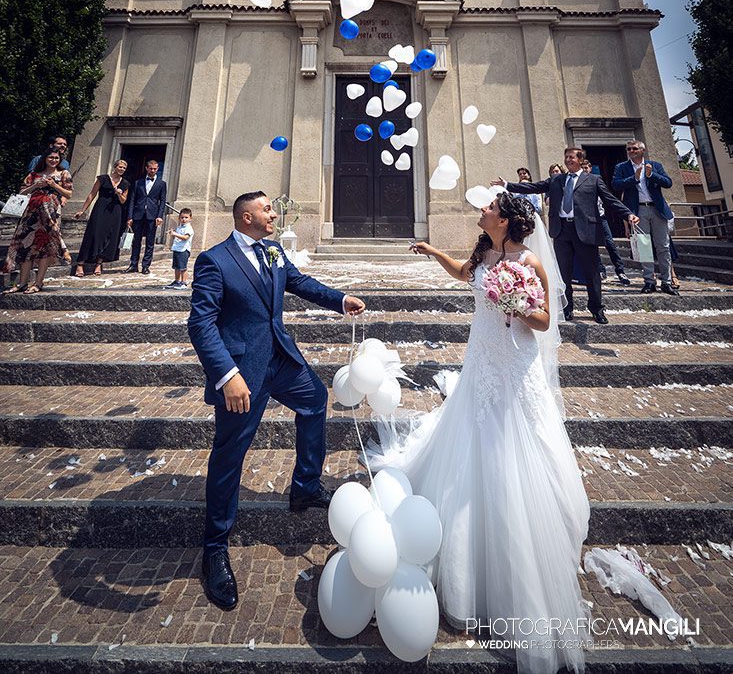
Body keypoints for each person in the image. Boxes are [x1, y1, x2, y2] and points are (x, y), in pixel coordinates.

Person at [368, 192, 591, 671]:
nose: (483, 208)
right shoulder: (484, 254)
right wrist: (432, 253)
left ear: (507, 219)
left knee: (521, 442)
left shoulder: (529, 260)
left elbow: (546, 320)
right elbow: (463, 274)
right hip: (481, 360)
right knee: (472, 434)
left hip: (515, 365)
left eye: (491, 205)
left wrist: (513, 301)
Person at [188, 190, 366, 612]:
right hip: (242, 374)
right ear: (247, 216)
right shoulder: (214, 260)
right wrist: (226, 375)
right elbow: (201, 323)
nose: (274, 213)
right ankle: (215, 546)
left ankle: (304, 486)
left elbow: (300, 284)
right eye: (268, 209)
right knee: (230, 455)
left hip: (281, 361)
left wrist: (340, 300)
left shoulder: (272, 251)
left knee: (315, 399)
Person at [492, 147, 638, 324]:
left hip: (585, 231)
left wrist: (628, 214)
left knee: (591, 272)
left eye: (572, 157)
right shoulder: (557, 180)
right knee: (564, 272)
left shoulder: (593, 180)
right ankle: (568, 308)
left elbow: (610, 200)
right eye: (566, 157)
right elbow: (534, 187)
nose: (568, 160)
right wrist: (507, 185)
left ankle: (596, 308)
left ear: (580, 159)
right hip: (561, 231)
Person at [612, 140, 678, 296]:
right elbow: (616, 185)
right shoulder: (622, 167)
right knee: (644, 246)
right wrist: (634, 178)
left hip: (657, 209)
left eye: (634, 148)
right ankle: (649, 281)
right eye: (629, 149)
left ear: (642, 150)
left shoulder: (655, 165)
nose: (631, 151)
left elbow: (668, 183)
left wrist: (651, 175)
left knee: (663, 246)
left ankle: (667, 282)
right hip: (638, 211)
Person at [2, 150, 73, 293]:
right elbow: (21, 193)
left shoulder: (64, 173)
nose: (53, 160)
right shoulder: (34, 174)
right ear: (45, 158)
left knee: (45, 248)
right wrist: (35, 186)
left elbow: (69, 193)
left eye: (56, 158)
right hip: (31, 214)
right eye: (50, 157)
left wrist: (54, 185)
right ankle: (22, 283)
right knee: (26, 247)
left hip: (50, 214)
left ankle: (38, 283)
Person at [72, 160, 130, 276]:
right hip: (101, 208)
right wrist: (83, 210)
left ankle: (99, 263)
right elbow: (92, 194)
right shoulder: (103, 178)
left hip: (115, 211)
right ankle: (80, 263)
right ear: (115, 167)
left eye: (124, 168)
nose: (122, 169)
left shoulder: (125, 183)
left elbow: (124, 201)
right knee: (93, 233)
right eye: (120, 167)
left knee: (109, 236)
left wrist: (119, 194)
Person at [580, 159, 631, 286]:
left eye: (586, 168)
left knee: (610, 243)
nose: (585, 170)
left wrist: (626, 213)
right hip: (587, 219)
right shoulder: (578, 183)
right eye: (583, 168)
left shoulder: (596, 179)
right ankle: (601, 270)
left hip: (601, 217)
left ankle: (620, 270)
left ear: (590, 168)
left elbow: (607, 197)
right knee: (593, 247)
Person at [125, 159, 167, 274]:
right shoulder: (138, 182)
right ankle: (133, 264)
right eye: (151, 168)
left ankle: (145, 266)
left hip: (152, 216)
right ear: (146, 168)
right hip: (138, 215)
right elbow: (132, 200)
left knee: (150, 242)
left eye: (155, 169)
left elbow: (162, 201)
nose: (153, 171)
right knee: (136, 241)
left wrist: (160, 216)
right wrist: (130, 216)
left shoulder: (161, 184)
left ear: (157, 169)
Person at [167, 207, 194, 289]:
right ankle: (177, 281)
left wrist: (175, 234)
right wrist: (174, 232)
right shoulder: (180, 227)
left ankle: (184, 282)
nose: (184, 219)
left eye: (186, 217)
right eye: (182, 217)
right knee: (177, 267)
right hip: (177, 248)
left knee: (183, 267)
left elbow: (185, 237)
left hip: (183, 250)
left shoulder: (188, 228)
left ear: (190, 218)